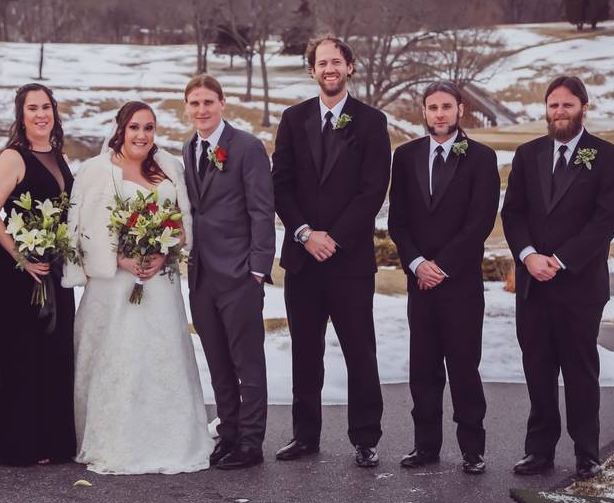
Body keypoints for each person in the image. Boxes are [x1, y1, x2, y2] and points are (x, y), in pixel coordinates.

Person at [63, 101, 211, 475]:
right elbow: (81, 228)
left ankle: (172, 438)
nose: (142, 135)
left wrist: (166, 251)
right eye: (134, 128)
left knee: (161, 355)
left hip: (159, 283)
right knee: (120, 356)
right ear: (120, 129)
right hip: (114, 284)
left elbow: (181, 221)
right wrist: (117, 259)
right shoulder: (96, 171)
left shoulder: (169, 168)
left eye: (148, 128)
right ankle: (115, 440)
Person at [271, 35, 391, 467]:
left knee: (360, 351)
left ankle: (365, 438)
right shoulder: (293, 118)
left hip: (350, 261)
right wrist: (305, 233)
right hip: (303, 259)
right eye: (322, 63)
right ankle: (305, 436)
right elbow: (280, 183)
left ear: (350, 67)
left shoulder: (372, 122)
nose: (329, 69)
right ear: (312, 70)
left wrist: (333, 237)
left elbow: (372, 190)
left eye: (336, 61)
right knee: (305, 351)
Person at [502, 75, 614, 480]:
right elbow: (514, 213)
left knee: (579, 370)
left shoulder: (608, 157)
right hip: (533, 283)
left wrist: (558, 259)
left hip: (580, 285)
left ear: (583, 108)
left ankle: (587, 453)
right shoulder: (527, 154)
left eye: (567, 105)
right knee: (537, 369)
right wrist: (527, 257)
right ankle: (538, 451)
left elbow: (605, 220)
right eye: (553, 105)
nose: (559, 112)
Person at [387, 81, 500, 475]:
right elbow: (397, 221)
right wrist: (417, 263)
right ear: (423, 112)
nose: (439, 113)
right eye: (432, 107)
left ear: (460, 110)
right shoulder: (404, 157)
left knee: (464, 368)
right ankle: (425, 447)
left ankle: (472, 448)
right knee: (424, 368)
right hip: (420, 283)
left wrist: (442, 266)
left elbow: (480, 222)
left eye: (446, 106)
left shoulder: (482, 159)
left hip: (461, 284)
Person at [181, 74, 274, 470]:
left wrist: (257, 269)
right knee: (218, 361)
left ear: (222, 104)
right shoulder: (189, 148)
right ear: (187, 109)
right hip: (201, 275)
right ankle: (230, 434)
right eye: (195, 104)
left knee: (247, 362)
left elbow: (261, 210)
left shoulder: (248, 148)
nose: (202, 110)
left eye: (208, 102)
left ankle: (251, 444)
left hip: (239, 274)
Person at [0, 84, 76, 466]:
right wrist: (21, 257)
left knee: (55, 354)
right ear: (21, 117)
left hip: (55, 268)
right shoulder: (13, 157)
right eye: (32, 108)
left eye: (46, 107)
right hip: (22, 274)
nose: (41, 114)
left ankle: (53, 442)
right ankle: (21, 443)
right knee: (24, 356)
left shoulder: (58, 155)